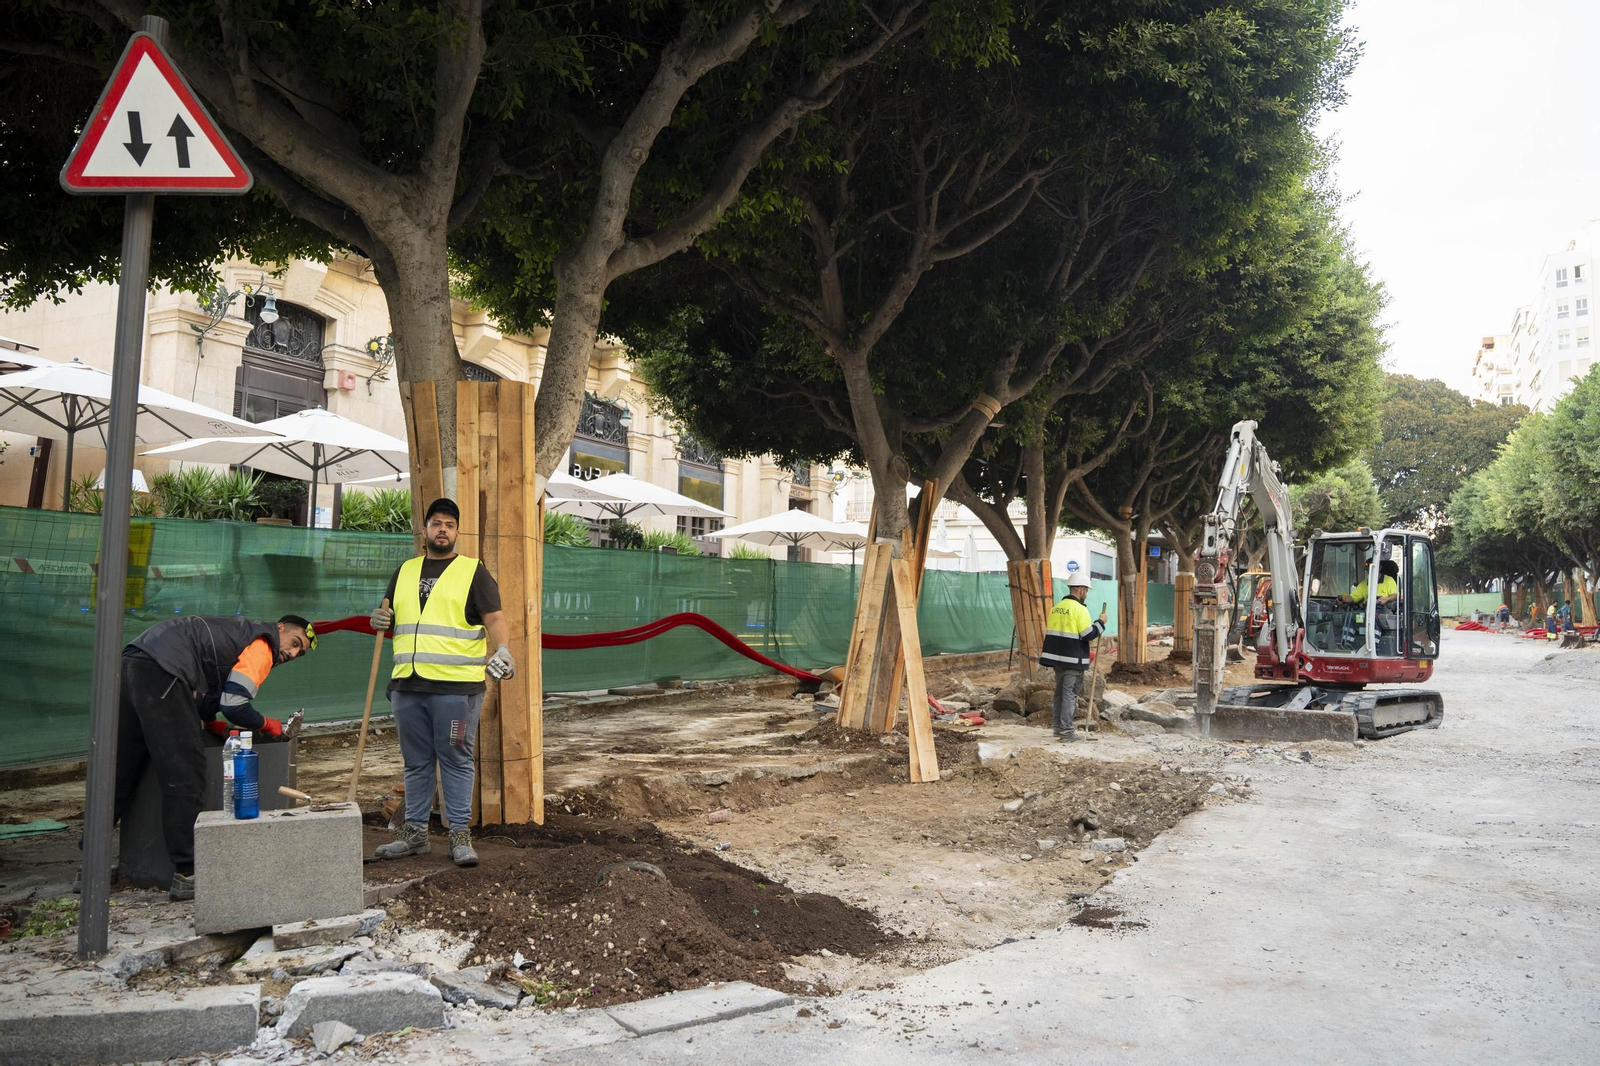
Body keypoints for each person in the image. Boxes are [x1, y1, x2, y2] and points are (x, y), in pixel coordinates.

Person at [98, 614, 315, 900]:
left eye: (298, 653)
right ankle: (187, 872)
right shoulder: (264, 643)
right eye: (294, 642)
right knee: (184, 772)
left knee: (121, 770)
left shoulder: (237, 633)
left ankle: (91, 866)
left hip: (135, 660)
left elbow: (211, 685)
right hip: (165, 667)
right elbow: (235, 705)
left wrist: (211, 723)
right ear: (280, 628)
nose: (291, 653)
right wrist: (269, 725)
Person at [370, 498, 512, 867]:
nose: (443, 529)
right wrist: (378, 620)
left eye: (449, 524)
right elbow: (387, 611)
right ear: (426, 529)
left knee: (455, 758)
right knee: (416, 761)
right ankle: (415, 833)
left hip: (455, 689)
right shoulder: (404, 570)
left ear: (457, 531)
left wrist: (505, 648)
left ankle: (459, 835)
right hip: (408, 685)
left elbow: (494, 616)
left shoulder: (472, 571)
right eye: (437, 523)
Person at [1039, 577, 1108, 742]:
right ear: (1082, 589)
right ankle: (1067, 732)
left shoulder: (1056, 608)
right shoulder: (1080, 609)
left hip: (1057, 659)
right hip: (1072, 659)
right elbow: (1087, 634)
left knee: (1060, 693)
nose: (1086, 594)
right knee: (1070, 694)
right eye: (1087, 591)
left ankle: (1058, 728)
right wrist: (1101, 622)